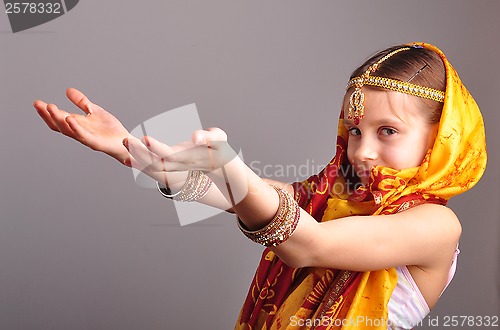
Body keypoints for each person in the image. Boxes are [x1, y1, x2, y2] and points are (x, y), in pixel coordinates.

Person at [34, 42, 486, 329]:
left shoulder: (436, 225)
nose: (360, 151)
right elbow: (237, 197)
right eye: (354, 131)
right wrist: (131, 151)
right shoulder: (332, 198)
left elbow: (308, 245)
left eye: (387, 131)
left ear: (441, 138)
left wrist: (236, 171)